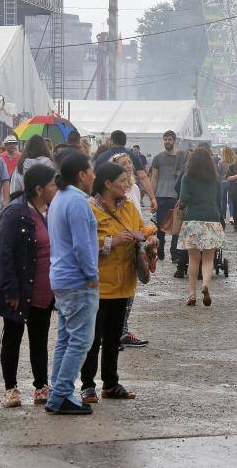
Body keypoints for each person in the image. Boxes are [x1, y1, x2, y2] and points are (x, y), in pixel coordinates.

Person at [79, 162, 157, 405]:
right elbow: (86, 244)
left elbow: (139, 228)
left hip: (124, 283)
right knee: (93, 339)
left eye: (127, 180)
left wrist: (149, 235)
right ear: (107, 183)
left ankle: (110, 383)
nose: (127, 185)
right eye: (122, 181)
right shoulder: (90, 209)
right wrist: (112, 241)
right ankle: (88, 385)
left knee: (114, 338)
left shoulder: (129, 206)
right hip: (100, 285)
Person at [0, 164, 57, 408]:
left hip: (44, 291)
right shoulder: (15, 213)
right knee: (13, 338)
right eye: (53, 184)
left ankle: (41, 386)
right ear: (40, 189)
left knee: (39, 339)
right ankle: (11, 388)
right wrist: (11, 290)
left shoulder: (52, 210)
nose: (56, 188)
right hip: (20, 290)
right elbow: (4, 254)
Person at [46, 152, 98, 416]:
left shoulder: (59, 198)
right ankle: (61, 395)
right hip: (77, 280)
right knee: (80, 341)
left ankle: (58, 391)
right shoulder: (77, 202)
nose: (94, 176)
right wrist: (92, 276)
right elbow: (82, 245)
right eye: (91, 171)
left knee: (66, 338)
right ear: (81, 175)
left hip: (61, 277)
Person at [107, 152, 150, 349]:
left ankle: (122, 329)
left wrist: (145, 235)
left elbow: (137, 215)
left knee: (130, 289)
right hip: (119, 244)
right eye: (124, 164)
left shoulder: (134, 188)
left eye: (130, 163)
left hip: (134, 241)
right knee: (116, 292)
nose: (129, 166)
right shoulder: (105, 198)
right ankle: (113, 332)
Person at [178, 147, 224, 307]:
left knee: (193, 258)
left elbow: (183, 198)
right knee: (209, 258)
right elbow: (220, 201)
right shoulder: (216, 178)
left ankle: (192, 294)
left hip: (192, 219)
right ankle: (205, 284)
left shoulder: (187, 177)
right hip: (212, 218)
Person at [93, 130, 156, 211]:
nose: (128, 165)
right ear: (125, 141)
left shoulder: (102, 157)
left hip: (106, 197)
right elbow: (143, 176)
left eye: (129, 163)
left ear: (112, 141)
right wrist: (152, 198)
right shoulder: (132, 155)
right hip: (128, 192)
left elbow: (94, 178)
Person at [151, 130, 186, 262]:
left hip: (177, 197)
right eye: (165, 139)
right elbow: (154, 178)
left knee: (176, 226)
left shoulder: (182, 157)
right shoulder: (158, 158)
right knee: (160, 226)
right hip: (161, 196)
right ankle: (160, 249)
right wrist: (152, 197)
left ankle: (174, 253)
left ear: (174, 141)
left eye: (169, 139)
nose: (167, 141)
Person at [218, 146, 236, 224]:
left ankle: (223, 217)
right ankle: (232, 217)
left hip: (223, 182)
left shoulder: (220, 162)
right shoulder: (234, 162)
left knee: (223, 201)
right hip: (231, 182)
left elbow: (219, 173)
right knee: (231, 200)